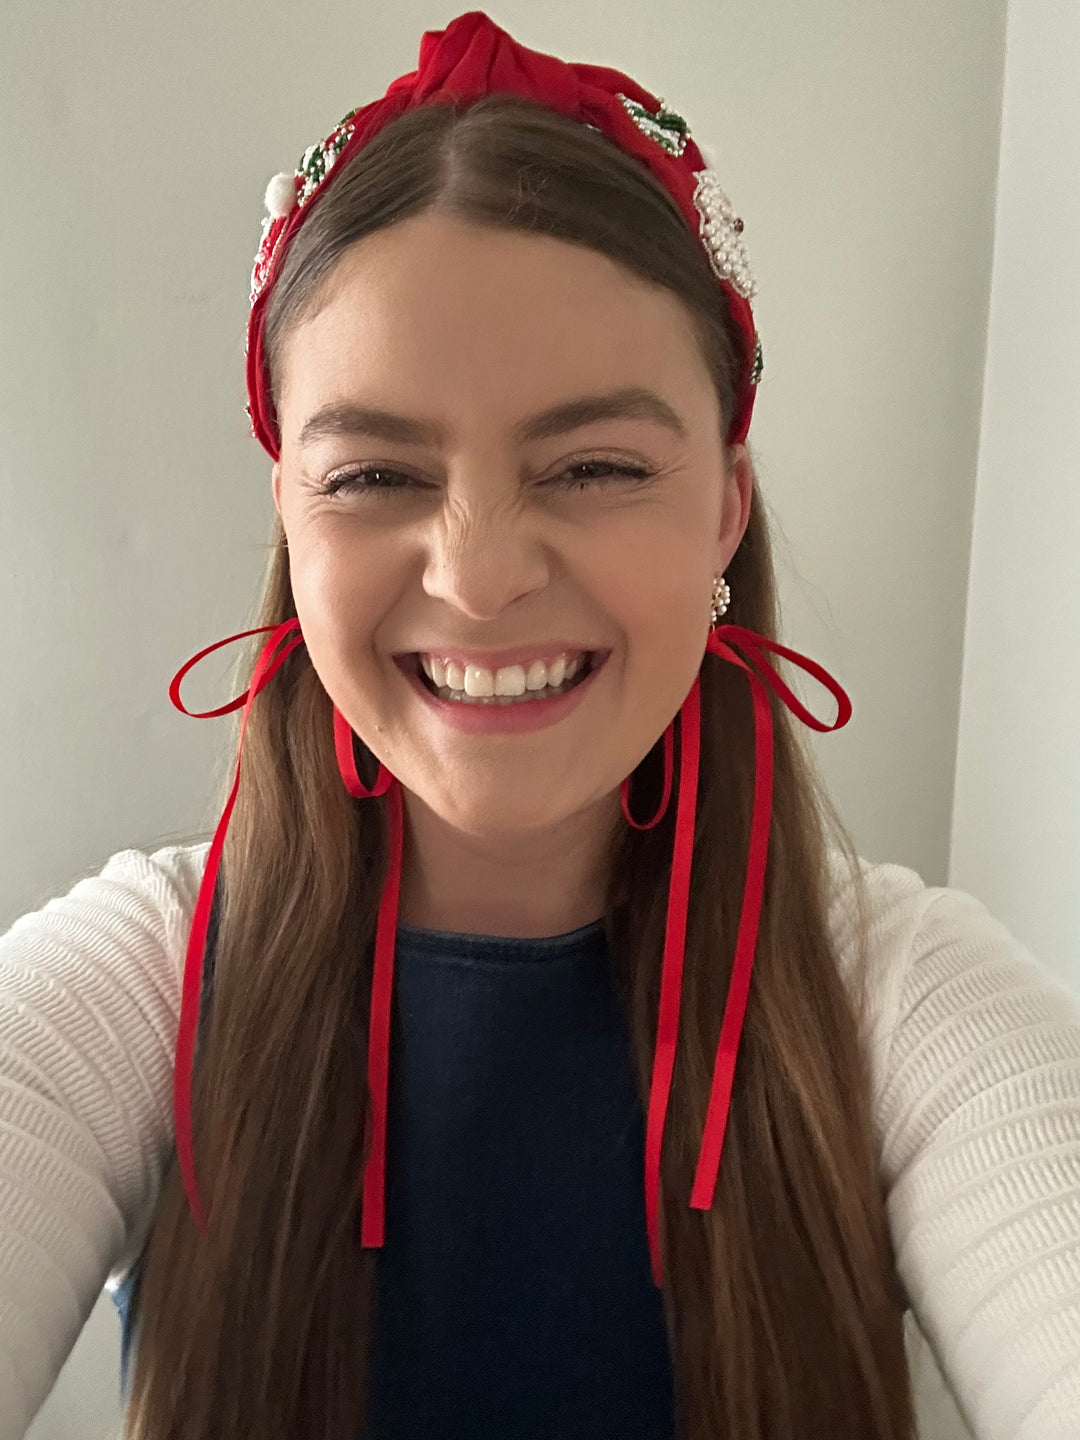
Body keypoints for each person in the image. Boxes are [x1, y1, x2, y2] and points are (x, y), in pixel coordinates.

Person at [1, 11, 1078, 1440]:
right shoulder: (142, 983)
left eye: (594, 465)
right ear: (287, 515)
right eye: (377, 470)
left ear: (727, 505)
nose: (481, 572)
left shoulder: (901, 1003)